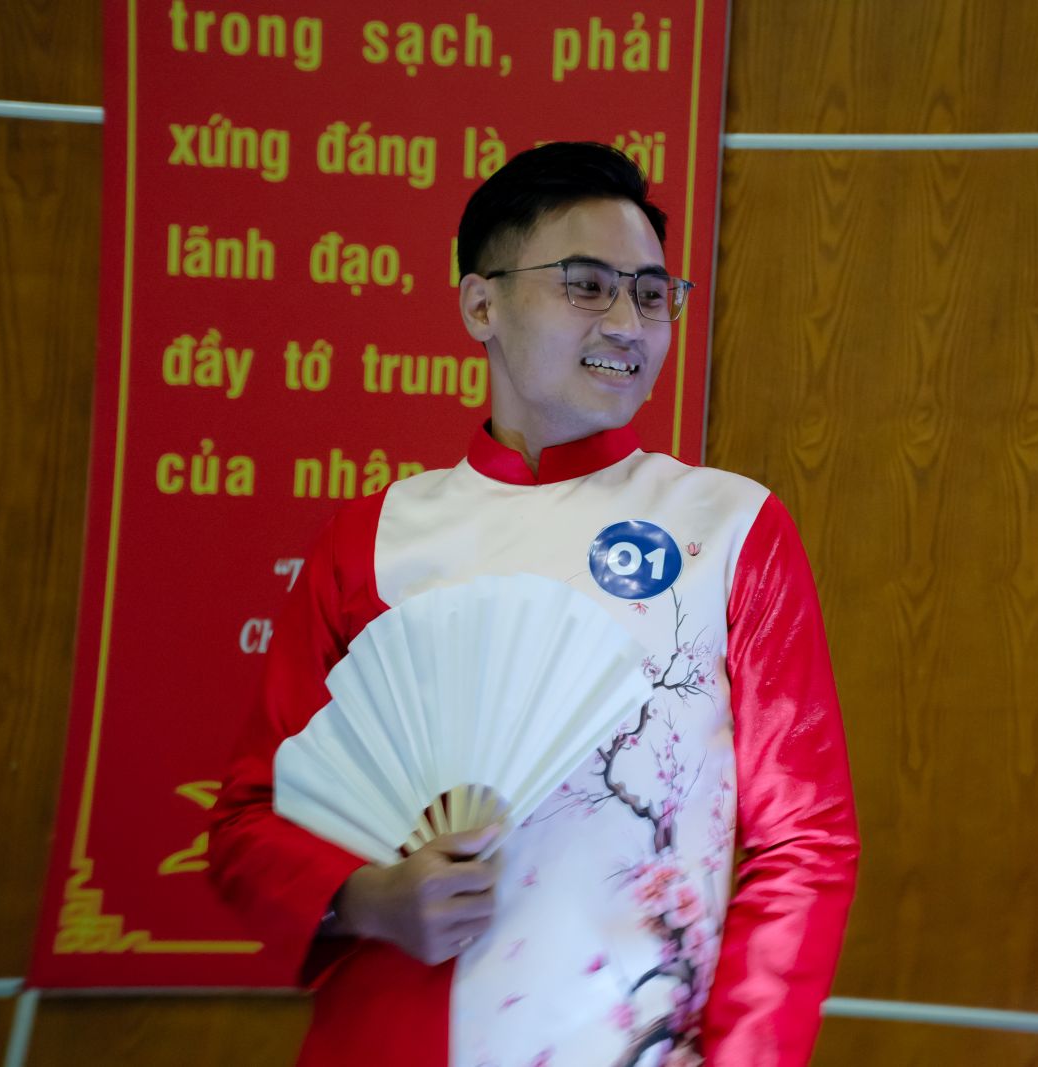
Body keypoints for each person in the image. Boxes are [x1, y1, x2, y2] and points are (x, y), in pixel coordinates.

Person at [210, 141, 858, 1067]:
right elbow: (246, 823)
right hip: (392, 1038)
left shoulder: (730, 527)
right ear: (482, 304)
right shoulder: (374, 540)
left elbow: (804, 842)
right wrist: (366, 899)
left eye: (652, 293)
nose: (628, 322)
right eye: (587, 285)